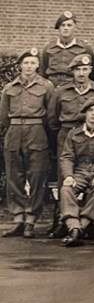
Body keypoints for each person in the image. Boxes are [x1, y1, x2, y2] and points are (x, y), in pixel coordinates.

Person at [2, 49, 55, 237]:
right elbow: (3, 117)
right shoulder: (9, 88)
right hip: (14, 131)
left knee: (36, 176)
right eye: (26, 63)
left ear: (38, 65)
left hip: (36, 131)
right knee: (14, 176)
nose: (29, 66)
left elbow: (51, 115)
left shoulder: (47, 87)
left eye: (33, 63)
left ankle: (31, 219)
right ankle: (18, 217)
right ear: (19, 66)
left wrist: (47, 137)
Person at [57, 95, 94, 247]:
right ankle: (73, 226)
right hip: (80, 171)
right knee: (66, 189)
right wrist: (69, 176)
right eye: (90, 111)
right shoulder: (74, 133)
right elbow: (67, 157)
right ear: (85, 113)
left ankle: (80, 228)